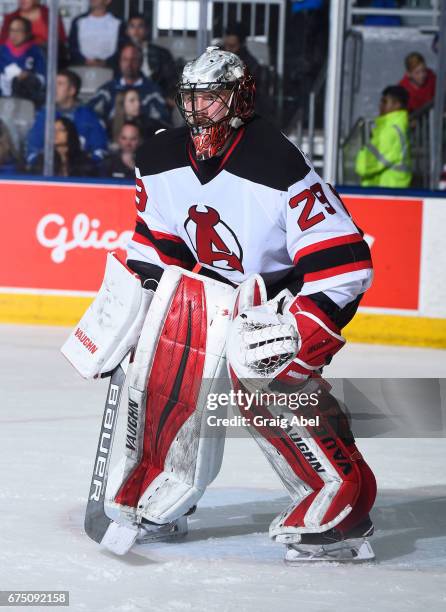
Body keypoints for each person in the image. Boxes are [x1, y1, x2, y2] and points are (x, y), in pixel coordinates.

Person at [91, 47, 376, 563]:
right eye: (192, 99)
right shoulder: (157, 159)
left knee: (262, 371)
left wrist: (304, 333)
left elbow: (347, 264)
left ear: (240, 98)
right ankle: (162, 484)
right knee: (161, 364)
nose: (199, 112)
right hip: (209, 290)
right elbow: (156, 248)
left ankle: (341, 499)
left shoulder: (278, 163)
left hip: (278, 293)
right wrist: (131, 314)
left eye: (212, 99)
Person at [26, 69, 108, 166]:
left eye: (60, 84)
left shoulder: (89, 116)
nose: (54, 88)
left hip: (80, 175)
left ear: (71, 90)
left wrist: (85, 166)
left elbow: (100, 150)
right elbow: (32, 150)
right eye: (54, 83)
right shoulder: (44, 116)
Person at [88, 44, 169, 124]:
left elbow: (162, 122)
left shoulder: (153, 91)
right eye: (125, 59)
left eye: (133, 60)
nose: (129, 64)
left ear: (140, 63)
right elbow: (89, 114)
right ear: (120, 62)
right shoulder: (106, 90)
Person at [356, 85, 411, 188]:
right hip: (387, 189)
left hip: (388, 191)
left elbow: (364, 167)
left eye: (385, 102)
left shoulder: (392, 130)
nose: (380, 105)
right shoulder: (395, 126)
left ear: (396, 104)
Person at [123, 13, 177, 100]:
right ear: (127, 31)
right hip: (127, 97)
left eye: (140, 26)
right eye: (132, 26)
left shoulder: (162, 54)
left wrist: (168, 97)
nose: (136, 31)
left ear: (146, 30)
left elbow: (172, 82)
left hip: (156, 96)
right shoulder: (119, 55)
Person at [0, 16, 45, 105]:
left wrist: (29, 76)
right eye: (11, 30)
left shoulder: (36, 52)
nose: (13, 34)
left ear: (27, 33)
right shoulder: (1, 50)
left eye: (18, 31)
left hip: (26, 97)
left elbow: (42, 79)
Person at [30, 117, 96, 177]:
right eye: (52, 130)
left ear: (70, 133)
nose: (55, 133)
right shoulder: (43, 160)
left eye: (60, 129)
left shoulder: (84, 161)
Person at [68, 0, 122, 67]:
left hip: (110, 69)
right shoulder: (78, 21)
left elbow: (122, 48)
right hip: (82, 68)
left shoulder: (118, 22)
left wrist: (106, 62)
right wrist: (84, 60)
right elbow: (72, 47)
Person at [0, 0, 66, 47]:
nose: (23, 0)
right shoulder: (10, 18)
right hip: (19, 60)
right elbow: (3, 44)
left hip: (47, 60)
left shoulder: (51, 15)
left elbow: (61, 41)